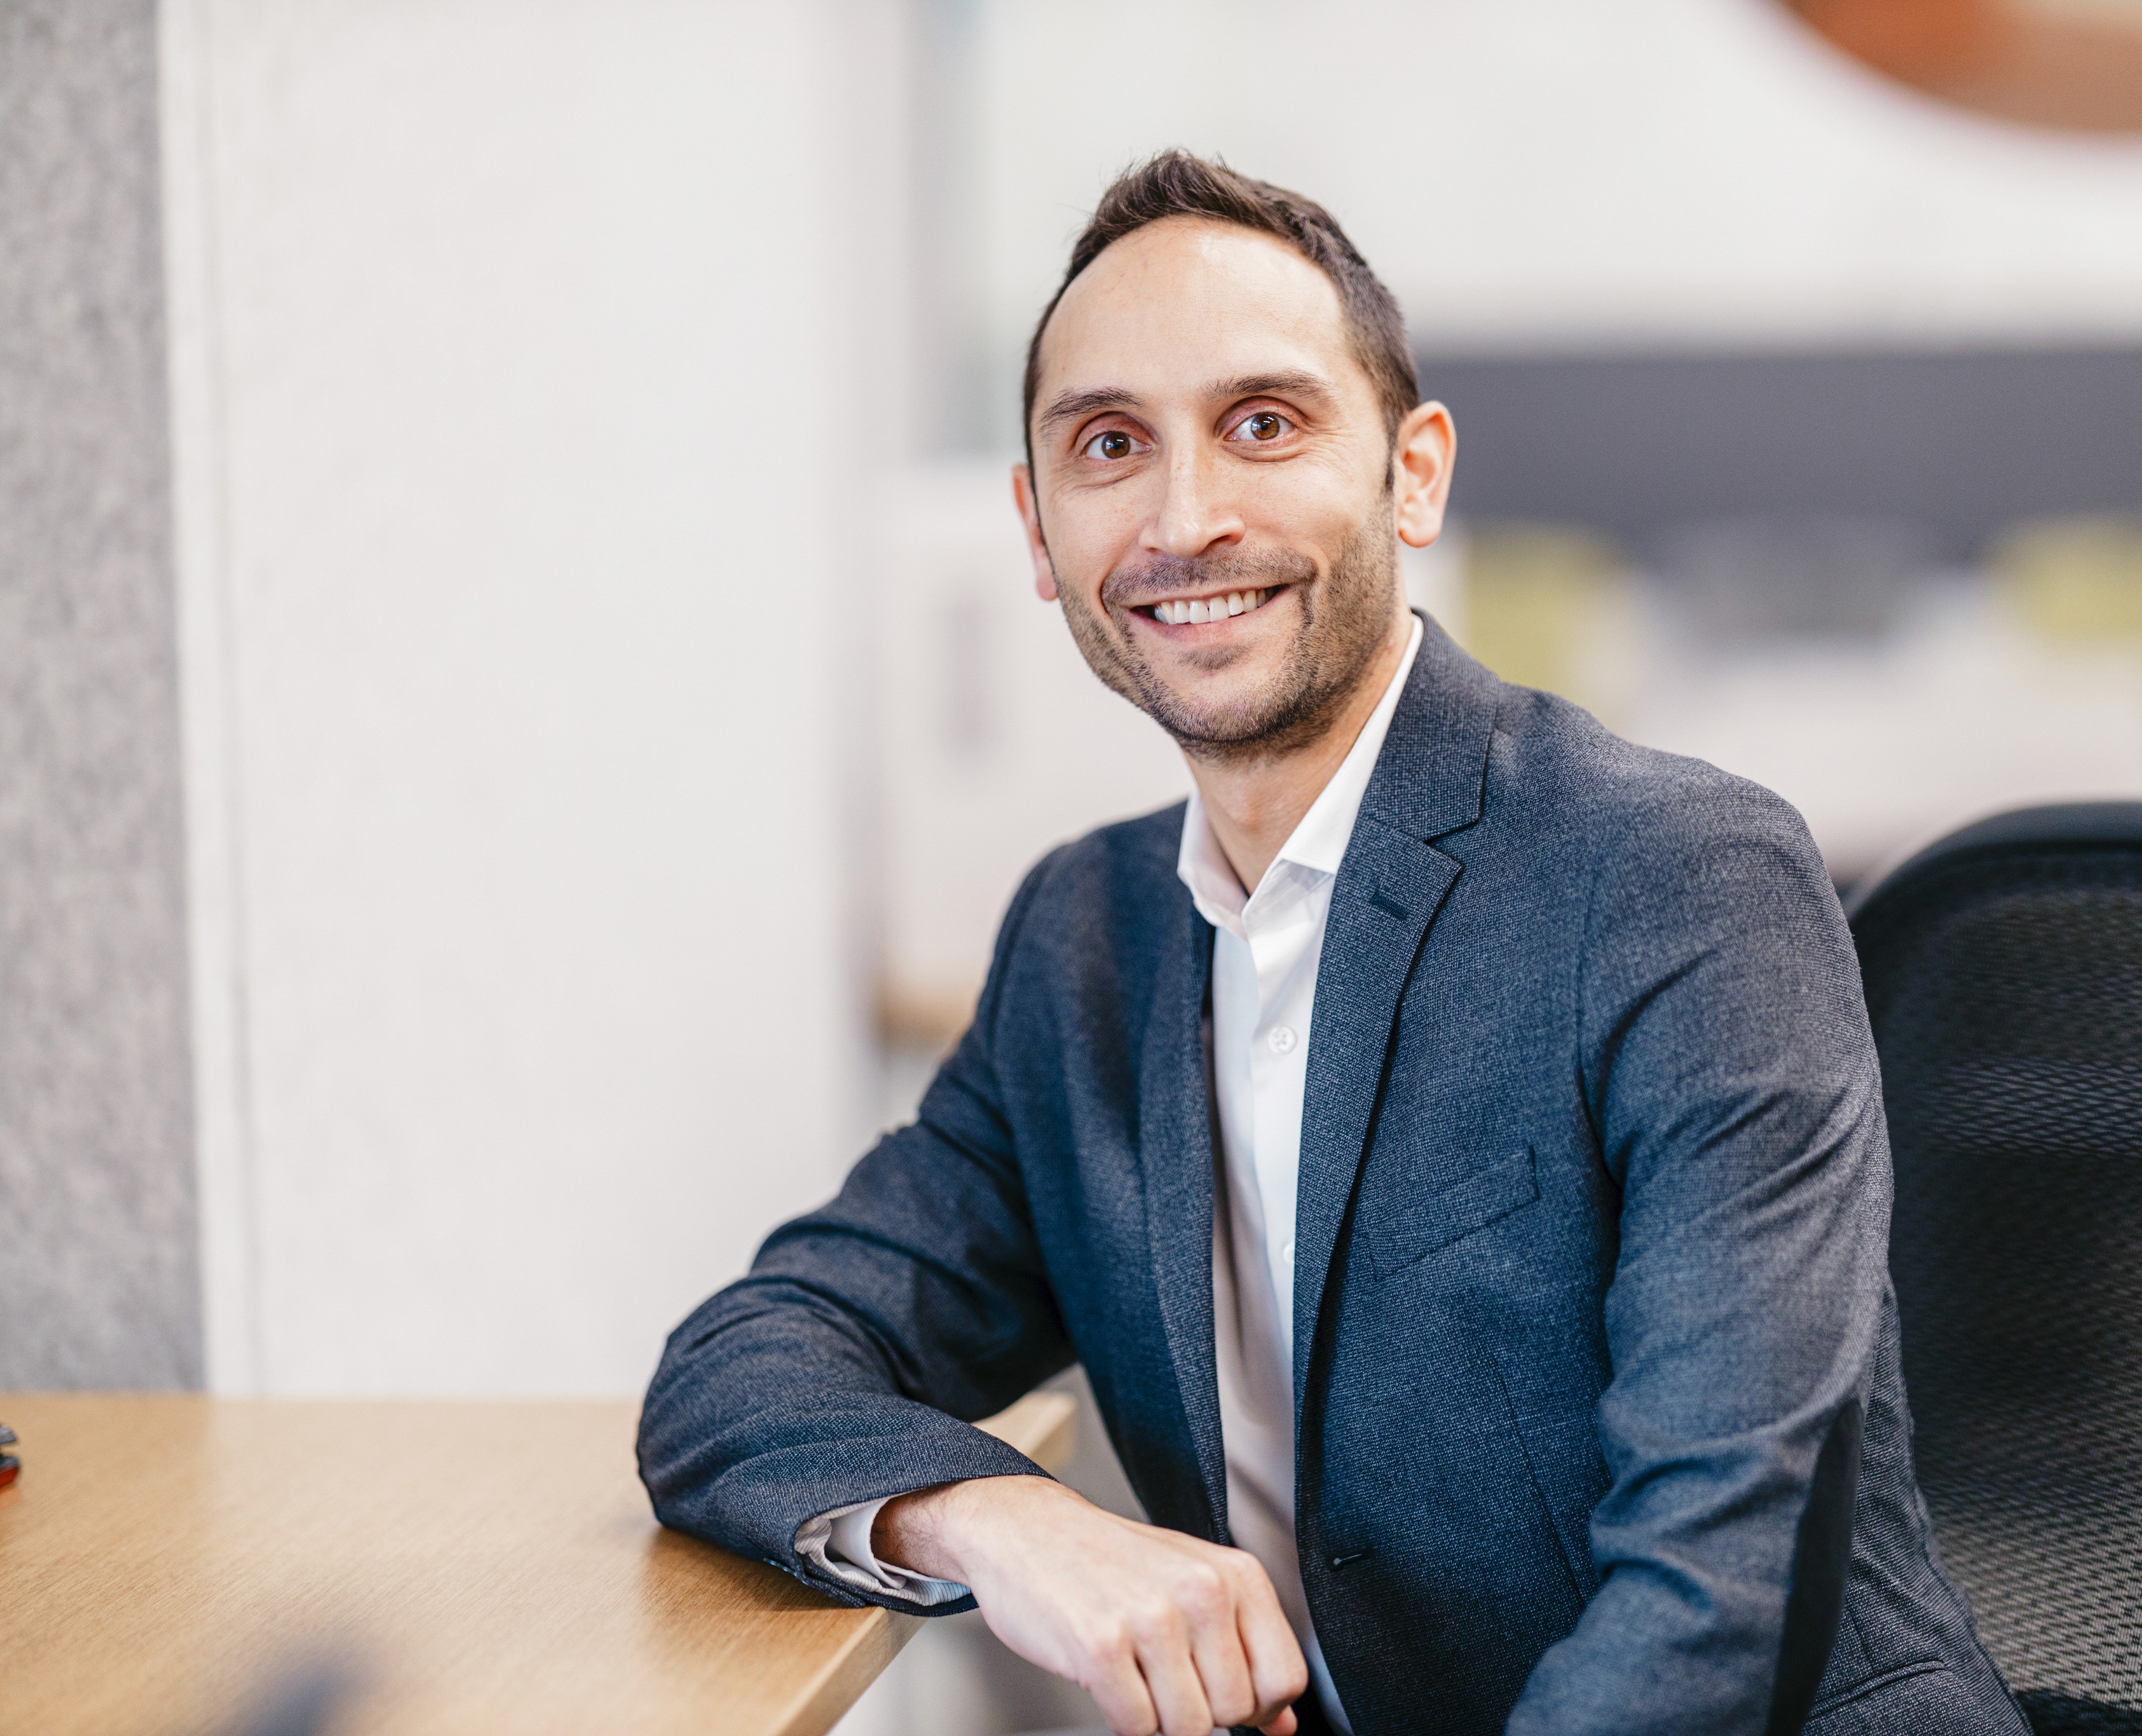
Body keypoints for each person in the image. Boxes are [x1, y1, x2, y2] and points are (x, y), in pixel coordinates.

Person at [639, 152, 2026, 1736]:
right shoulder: (1081, 942)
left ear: (1413, 474)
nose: (1184, 517)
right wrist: (1002, 1514)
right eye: (1108, 446)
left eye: (1263, 423)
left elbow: (1719, 1585)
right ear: (1036, 534)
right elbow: (742, 1370)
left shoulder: (1675, 877)